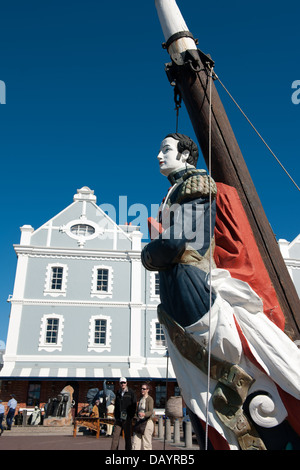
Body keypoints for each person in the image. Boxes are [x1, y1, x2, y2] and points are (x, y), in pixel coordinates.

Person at [141, 133, 300, 450]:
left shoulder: (195, 184)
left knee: (223, 351)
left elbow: (176, 243)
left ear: (186, 155)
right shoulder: (173, 192)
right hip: (181, 293)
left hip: (193, 282)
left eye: (166, 150)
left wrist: (151, 253)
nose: (159, 156)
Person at [110, 377, 136, 450]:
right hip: (118, 418)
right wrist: (116, 415)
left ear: (126, 383)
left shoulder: (131, 392)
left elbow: (134, 405)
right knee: (115, 436)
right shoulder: (118, 392)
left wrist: (130, 416)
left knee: (127, 437)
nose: (123, 384)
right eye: (121, 383)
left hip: (127, 419)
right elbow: (116, 404)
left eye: (124, 382)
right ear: (119, 383)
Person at [132, 382, 154, 450]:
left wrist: (144, 414)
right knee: (135, 442)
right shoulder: (141, 399)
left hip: (147, 422)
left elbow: (150, 411)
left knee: (146, 443)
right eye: (141, 389)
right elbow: (137, 410)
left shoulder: (150, 399)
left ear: (148, 390)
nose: (142, 390)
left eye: (144, 389)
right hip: (139, 421)